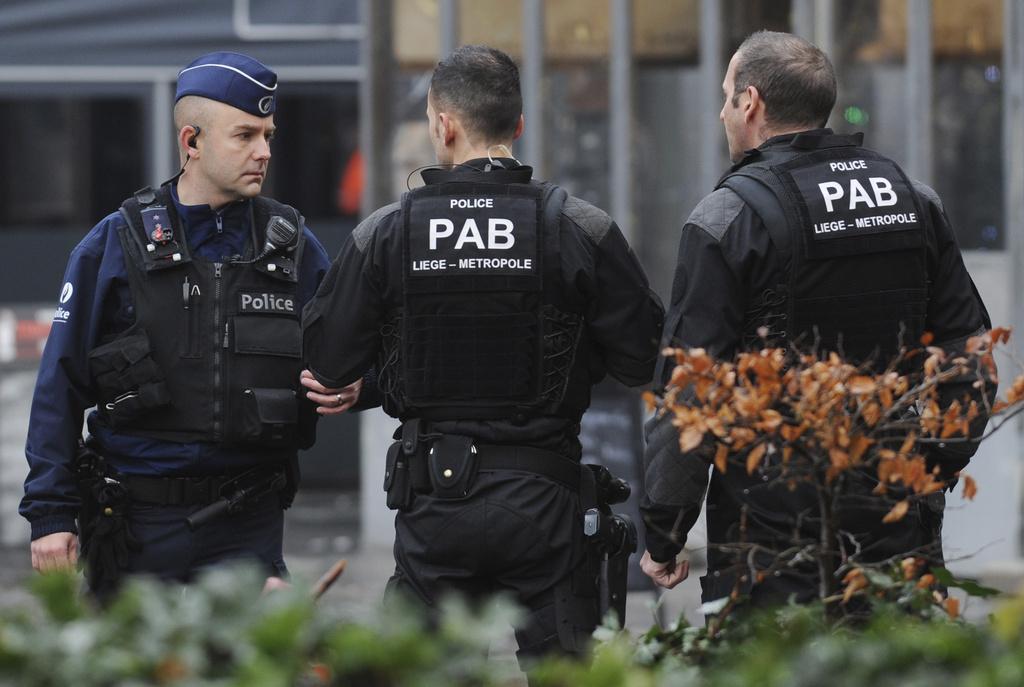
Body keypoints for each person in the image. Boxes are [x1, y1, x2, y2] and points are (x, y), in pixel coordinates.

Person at [303, 45, 664, 668]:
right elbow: (643, 360)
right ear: (517, 126)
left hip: (435, 506)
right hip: (549, 505)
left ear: (441, 124)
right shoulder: (579, 226)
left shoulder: (387, 232)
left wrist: (383, 376)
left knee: (414, 676)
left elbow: (328, 362)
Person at [639, 31, 992, 606]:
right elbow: (970, 360)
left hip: (771, 533)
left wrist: (664, 532)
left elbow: (690, 396)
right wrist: (927, 474)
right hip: (897, 522)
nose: (721, 111)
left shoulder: (729, 216)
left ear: (749, 103)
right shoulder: (912, 198)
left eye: (726, 96)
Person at [20, 51, 351, 595]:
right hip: (136, 526)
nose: (263, 152)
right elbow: (60, 381)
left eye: (268, 135)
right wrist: (50, 516)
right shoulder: (115, 242)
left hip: (248, 526)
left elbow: (351, 350)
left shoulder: (291, 245)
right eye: (245, 135)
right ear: (191, 142)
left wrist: (360, 385)